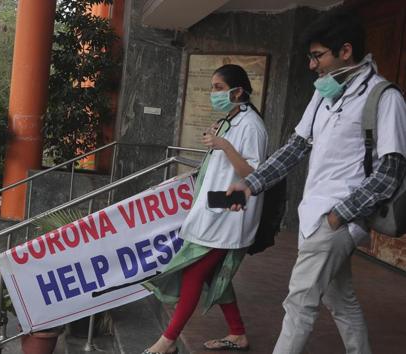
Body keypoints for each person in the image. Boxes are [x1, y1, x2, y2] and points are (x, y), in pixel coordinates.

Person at [227, 8, 406, 354]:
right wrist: (250, 184)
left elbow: (390, 171)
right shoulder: (324, 94)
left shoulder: (386, 98)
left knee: (299, 305)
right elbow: (295, 149)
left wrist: (339, 215)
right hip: (315, 215)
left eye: (317, 56)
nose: (312, 65)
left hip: (335, 219)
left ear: (346, 50)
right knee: (341, 300)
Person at [142, 64, 268, 354]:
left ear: (238, 91)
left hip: (231, 213)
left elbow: (253, 173)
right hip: (215, 209)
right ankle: (237, 333)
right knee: (213, 274)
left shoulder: (252, 126)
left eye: (218, 88)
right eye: (213, 87)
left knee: (195, 273)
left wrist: (224, 145)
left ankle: (168, 341)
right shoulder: (231, 119)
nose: (213, 94)